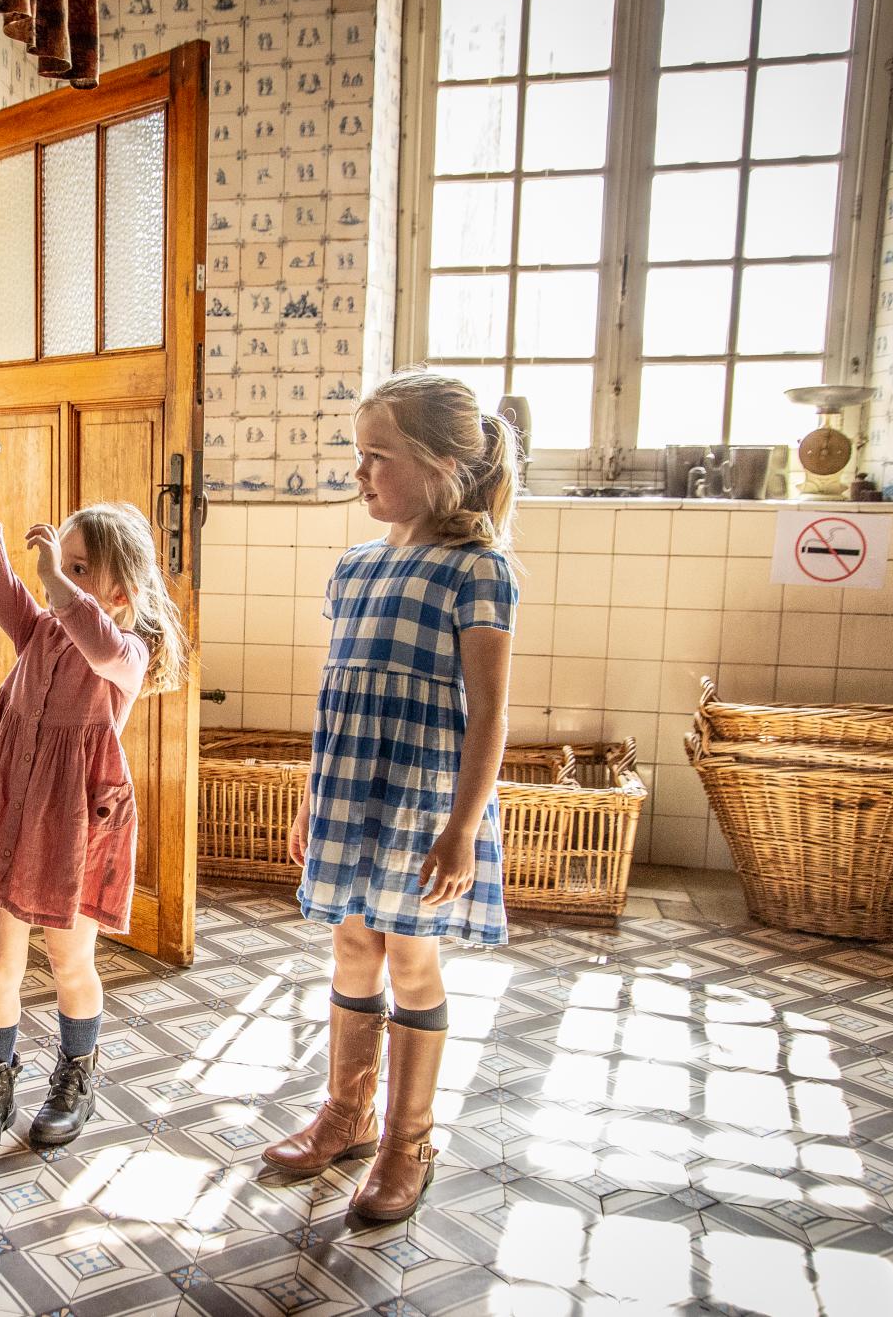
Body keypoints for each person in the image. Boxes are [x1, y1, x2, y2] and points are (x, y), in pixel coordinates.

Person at [260, 369, 519, 1222]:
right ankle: (347, 1113)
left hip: (419, 806)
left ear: (443, 465)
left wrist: (462, 828)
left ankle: (409, 1140)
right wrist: (308, 793)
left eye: (378, 456)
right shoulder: (356, 567)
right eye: (358, 454)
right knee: (351, 947)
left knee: (411, 958)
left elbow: (489, 714)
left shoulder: (478, 571)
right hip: (348, 791)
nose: (360, 472)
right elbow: (333, 697)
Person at [0, 437, 189, 1155]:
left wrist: (55, 578)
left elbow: (96, 640)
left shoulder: (124, 657)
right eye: (58, 565)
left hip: (74, 826)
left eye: (77, 570)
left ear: (120, 594)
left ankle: (75, 1074)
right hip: (10, 815)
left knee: (71, 964)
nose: (53, 581)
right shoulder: (35, 631)